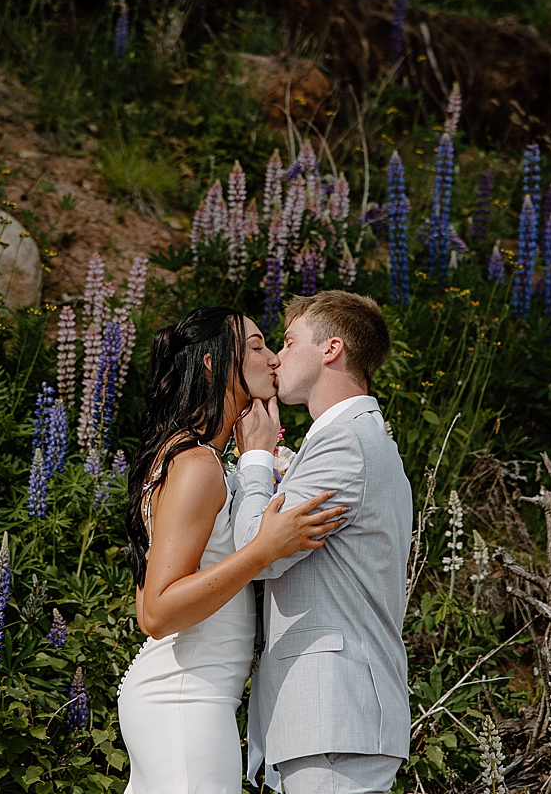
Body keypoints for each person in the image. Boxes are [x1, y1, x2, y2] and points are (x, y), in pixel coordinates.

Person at [118, 306, 347, 794]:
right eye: (260, 346)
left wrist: (256, 459)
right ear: (211, 362)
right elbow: (156, 612)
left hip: (186, 695)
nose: (274, 360)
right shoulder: (196, 464)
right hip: (185, 700)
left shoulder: (191, 456)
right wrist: (263, 550)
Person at [233, 291, 412, 794]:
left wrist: (255, 459)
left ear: (331, 349)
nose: (276, 357)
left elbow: (257, 549)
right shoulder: (355, 437)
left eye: (288, 342)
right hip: (335, 715)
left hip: (336, 710)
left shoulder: (345, 443)